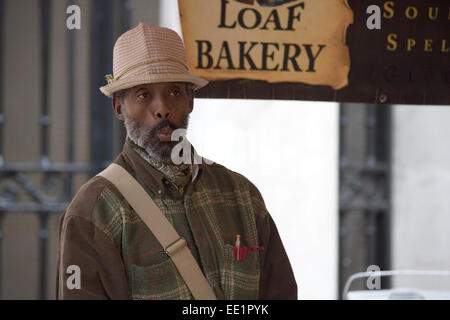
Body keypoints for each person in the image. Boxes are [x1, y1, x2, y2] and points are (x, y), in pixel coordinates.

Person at [56, 23, 297, 300]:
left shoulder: (242, 196)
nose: (163, 109)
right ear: (119, 107)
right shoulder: (94, 211)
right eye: (144, 94)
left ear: (191, 100)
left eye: (174, 92)